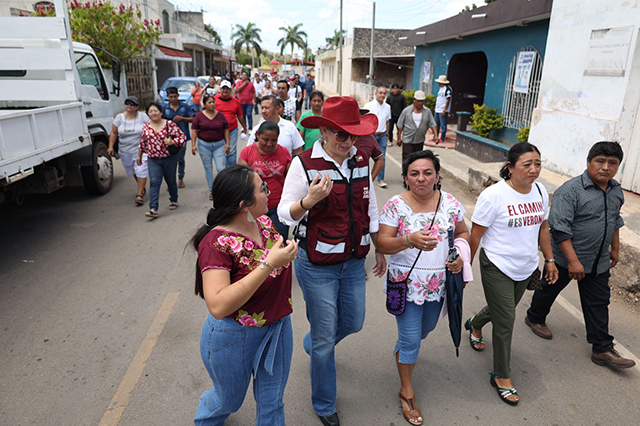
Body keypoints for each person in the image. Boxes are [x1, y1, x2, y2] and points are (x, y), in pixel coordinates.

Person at [277, 96, 387, 426]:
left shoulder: (359, 162)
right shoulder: (304, 164)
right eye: (341, 135)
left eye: (354, 135)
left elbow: (370, 205)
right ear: (323, 132)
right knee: (326, 338)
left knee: (353, 321)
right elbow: (285, 212)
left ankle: (315, 343)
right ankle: (324, 402)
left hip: (353, 261)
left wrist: (379, 244)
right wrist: (308, 201)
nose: (349, 142)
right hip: (316, 264)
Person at [191, 165, 299, 426]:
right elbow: (217, 305)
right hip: (234, 334)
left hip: (278, 326)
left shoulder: (263, 222)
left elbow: (274, 263)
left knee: (272, 400)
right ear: (244, 205)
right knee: (228, 401)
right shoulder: (217, 242)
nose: (268, 190)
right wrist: (269, 264)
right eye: (262, 188)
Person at [377, 150, 469, 426]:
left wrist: (461, 258)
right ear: (405, 178)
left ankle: (404, 350)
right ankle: (406, 390)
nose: (421, 178)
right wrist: (409, 240)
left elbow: (464, 233)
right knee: (410, 342)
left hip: (438, 286)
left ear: (437, 175)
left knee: (424, 331)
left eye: (427, 172)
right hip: (405, 286)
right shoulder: (395, 205)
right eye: (414, 173)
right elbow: (382, 243)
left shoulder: (451, 203)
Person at [525, 142, 635, 369]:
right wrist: (573, 261)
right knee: (548, 290)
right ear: (588, 162)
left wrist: (615, 248)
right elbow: (559, 228)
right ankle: (535, 317)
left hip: (598, 261)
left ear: (618, 167)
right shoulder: (571, 191)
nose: (605, 167)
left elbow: (615, 220)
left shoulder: (615, 190)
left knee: (598, 302)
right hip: (565, 260)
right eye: (600, 161)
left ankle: (602, 349)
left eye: (612, 163)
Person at [467, 142, 558, 405]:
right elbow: (475, 236)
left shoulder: (540, 191)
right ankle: (501, 375)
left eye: (537, 164)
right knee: (506, 320)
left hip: (526, 266)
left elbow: (543, 228)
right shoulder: (493, 196)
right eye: (527, 164)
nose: (533, 170)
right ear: (510, 167)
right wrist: (464, 271)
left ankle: (474, 323)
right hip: (497, 265)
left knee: (502, 310)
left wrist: (549, 260)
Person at [239, 121, 292, 237]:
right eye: (265, 139)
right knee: (257, 244)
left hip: (279, 208)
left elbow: (291, 180)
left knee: (279, 241)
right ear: (257, 135)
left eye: (274, 140)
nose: (269, 144)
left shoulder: (284, 152)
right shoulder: (247, 152)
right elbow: (241, 182)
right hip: (254, 210)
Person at [138, 102, 186, 218]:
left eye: (155, 111)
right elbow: (143, 142)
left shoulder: (169, 124)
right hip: (153, 159)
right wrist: (139, 156)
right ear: (148, 114)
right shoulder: (146, 127)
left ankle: (174, 199)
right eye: (151, 111)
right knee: (154, 182)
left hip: (169, 158)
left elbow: (182, 137)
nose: (153, 113)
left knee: (170, 180)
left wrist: (172, 142)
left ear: (161, 112)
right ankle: (153, 208)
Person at [108, 96, 150, 206]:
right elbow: (114, 132)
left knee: (141, 169)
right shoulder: (119, 118)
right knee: (132, 170)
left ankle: (140, 194)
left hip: (141, 150)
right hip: (125, 150)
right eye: (127, 104)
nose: (129, 106)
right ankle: (142, 186)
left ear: (137, 107)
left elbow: (151, 128)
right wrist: (111, 146)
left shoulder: (143, 117)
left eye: (132, 104)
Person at [191, 93, 230, 200]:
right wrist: (193, 145)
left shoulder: (220, 115)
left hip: (219, 145)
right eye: (209, 102)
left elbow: (226, 129)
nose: (212, 104)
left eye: (213, 102)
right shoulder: (199, 116)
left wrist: (227, 143)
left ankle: (223, 189)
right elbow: (194, 130)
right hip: (204, 145)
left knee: (221, 168)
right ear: (204, 104)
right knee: (208, 169)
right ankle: (212, 191)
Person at [163, 87, 195, 188]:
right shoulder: (165, 108)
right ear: (168, 97)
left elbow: (193, 119)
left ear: (178, 96)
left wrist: (182, 118)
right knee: (170, 160)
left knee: (180, 159)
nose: (173, 99)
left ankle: (180, 179)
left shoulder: (184, 107)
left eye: (175, 96)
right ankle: (171, 181)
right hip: (169, 138)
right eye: (171, 97)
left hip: (182, 137)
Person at [397, 90, 437, 164]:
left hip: (419, 140)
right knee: (407, 160)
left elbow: (432, 123)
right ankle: (406, 175)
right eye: (419, 101)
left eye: (422, 101)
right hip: (407, 140)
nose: (421, 103)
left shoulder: (427, 111)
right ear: (414, 101)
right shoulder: (406, 111)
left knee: (417, 160)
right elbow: (400, 125)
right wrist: (399, 137)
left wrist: (436, 135)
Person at [215, 80, 248, 167]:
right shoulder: (214, 100)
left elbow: (240, 115)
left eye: (227, 89)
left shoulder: (235, 101)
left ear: (230, 90)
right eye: (223, 89)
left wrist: (244, 127)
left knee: (231, 151)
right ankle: (223, 169)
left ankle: (231, 170)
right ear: (220, 89)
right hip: (219, 131)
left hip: (232, 130)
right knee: (221, 150)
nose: (225, 91)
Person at [364, 86, 391, 188]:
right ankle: (364, 177)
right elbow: (364, 121)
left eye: (384, 93)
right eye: (380, 93)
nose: (382, 95)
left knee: (381, 157)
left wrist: (387, 134)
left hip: (382, 135)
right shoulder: (369, 106)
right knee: (365, 156)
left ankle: (380, 179)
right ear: (376, 94)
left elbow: (388, 121)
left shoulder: (388, 107)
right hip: (370, 135)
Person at [355, 108, 384, 181]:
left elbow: (379, 159)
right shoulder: (338, 137)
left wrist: (371, 179)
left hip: (361, 184)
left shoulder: (369, 138)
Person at [433, 75, 452, 144]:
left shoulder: (447, 89)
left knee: (443, 125)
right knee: (436, 123)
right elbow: (439, 99)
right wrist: (436, 107)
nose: (438, 83)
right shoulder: (440, 89)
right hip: (438, 109)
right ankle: (435, 136)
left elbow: (448, 99)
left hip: (442, 110)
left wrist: (445, 109)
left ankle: (442, 137)